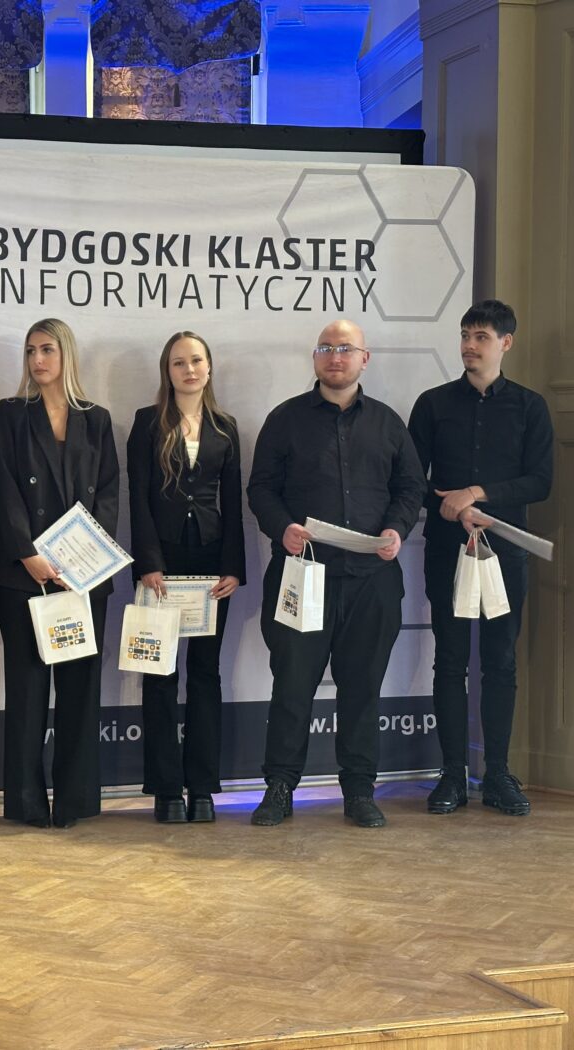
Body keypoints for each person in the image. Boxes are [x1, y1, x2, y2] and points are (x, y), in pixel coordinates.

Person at [247, 318, 425, 829]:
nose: (335, 357)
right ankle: (280, 787)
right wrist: (282, 527)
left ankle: (359, 791)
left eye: (345, 348)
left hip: (372, 580)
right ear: (315, 358)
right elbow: (261, 489)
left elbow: (410, 489)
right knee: (292, 686)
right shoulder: (285, 419)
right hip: (302, 576)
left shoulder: (388, 423)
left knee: (362, 689)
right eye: (326, 348)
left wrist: (395, 529)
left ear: (364, 358)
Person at [406, 300, 554, 817]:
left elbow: (540, 481)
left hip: (504, 552)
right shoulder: (432, 404)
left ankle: (497, 774)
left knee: (500, 661)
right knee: (449, 660)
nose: (470, 345)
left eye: (482, 337)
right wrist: (452, 507)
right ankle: (451, 775)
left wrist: (478, 493)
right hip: (447, 549)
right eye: (466, 335)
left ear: (506, 343)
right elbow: (411, 481)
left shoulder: (530, 407)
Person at [0, 319, 119, 829]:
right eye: (30, 351)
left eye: (47, 350)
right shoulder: (10, 413)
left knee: (80, 692)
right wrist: (29, 554)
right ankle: (25, 804)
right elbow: (5, 488)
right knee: (26, 691)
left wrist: (84, 563)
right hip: (24, 575)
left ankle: (74, 802)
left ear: (66, 354)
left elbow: (109, 494)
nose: (37, 360)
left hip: (84, 579)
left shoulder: (98, 419)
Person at [126, 331, 245, 824]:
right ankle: (165, 789)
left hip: (212, 566)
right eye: (179, 362)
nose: (189, 369)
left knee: (206, 675)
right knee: (159, 676)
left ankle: (202, 788)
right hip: (162, 565)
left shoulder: (226, 426)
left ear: (209, 367)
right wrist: (148, 562)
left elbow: (233, 501)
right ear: (167, 371)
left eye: (196, 360)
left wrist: (234, 567)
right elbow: (138, 498)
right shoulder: (147, 422)